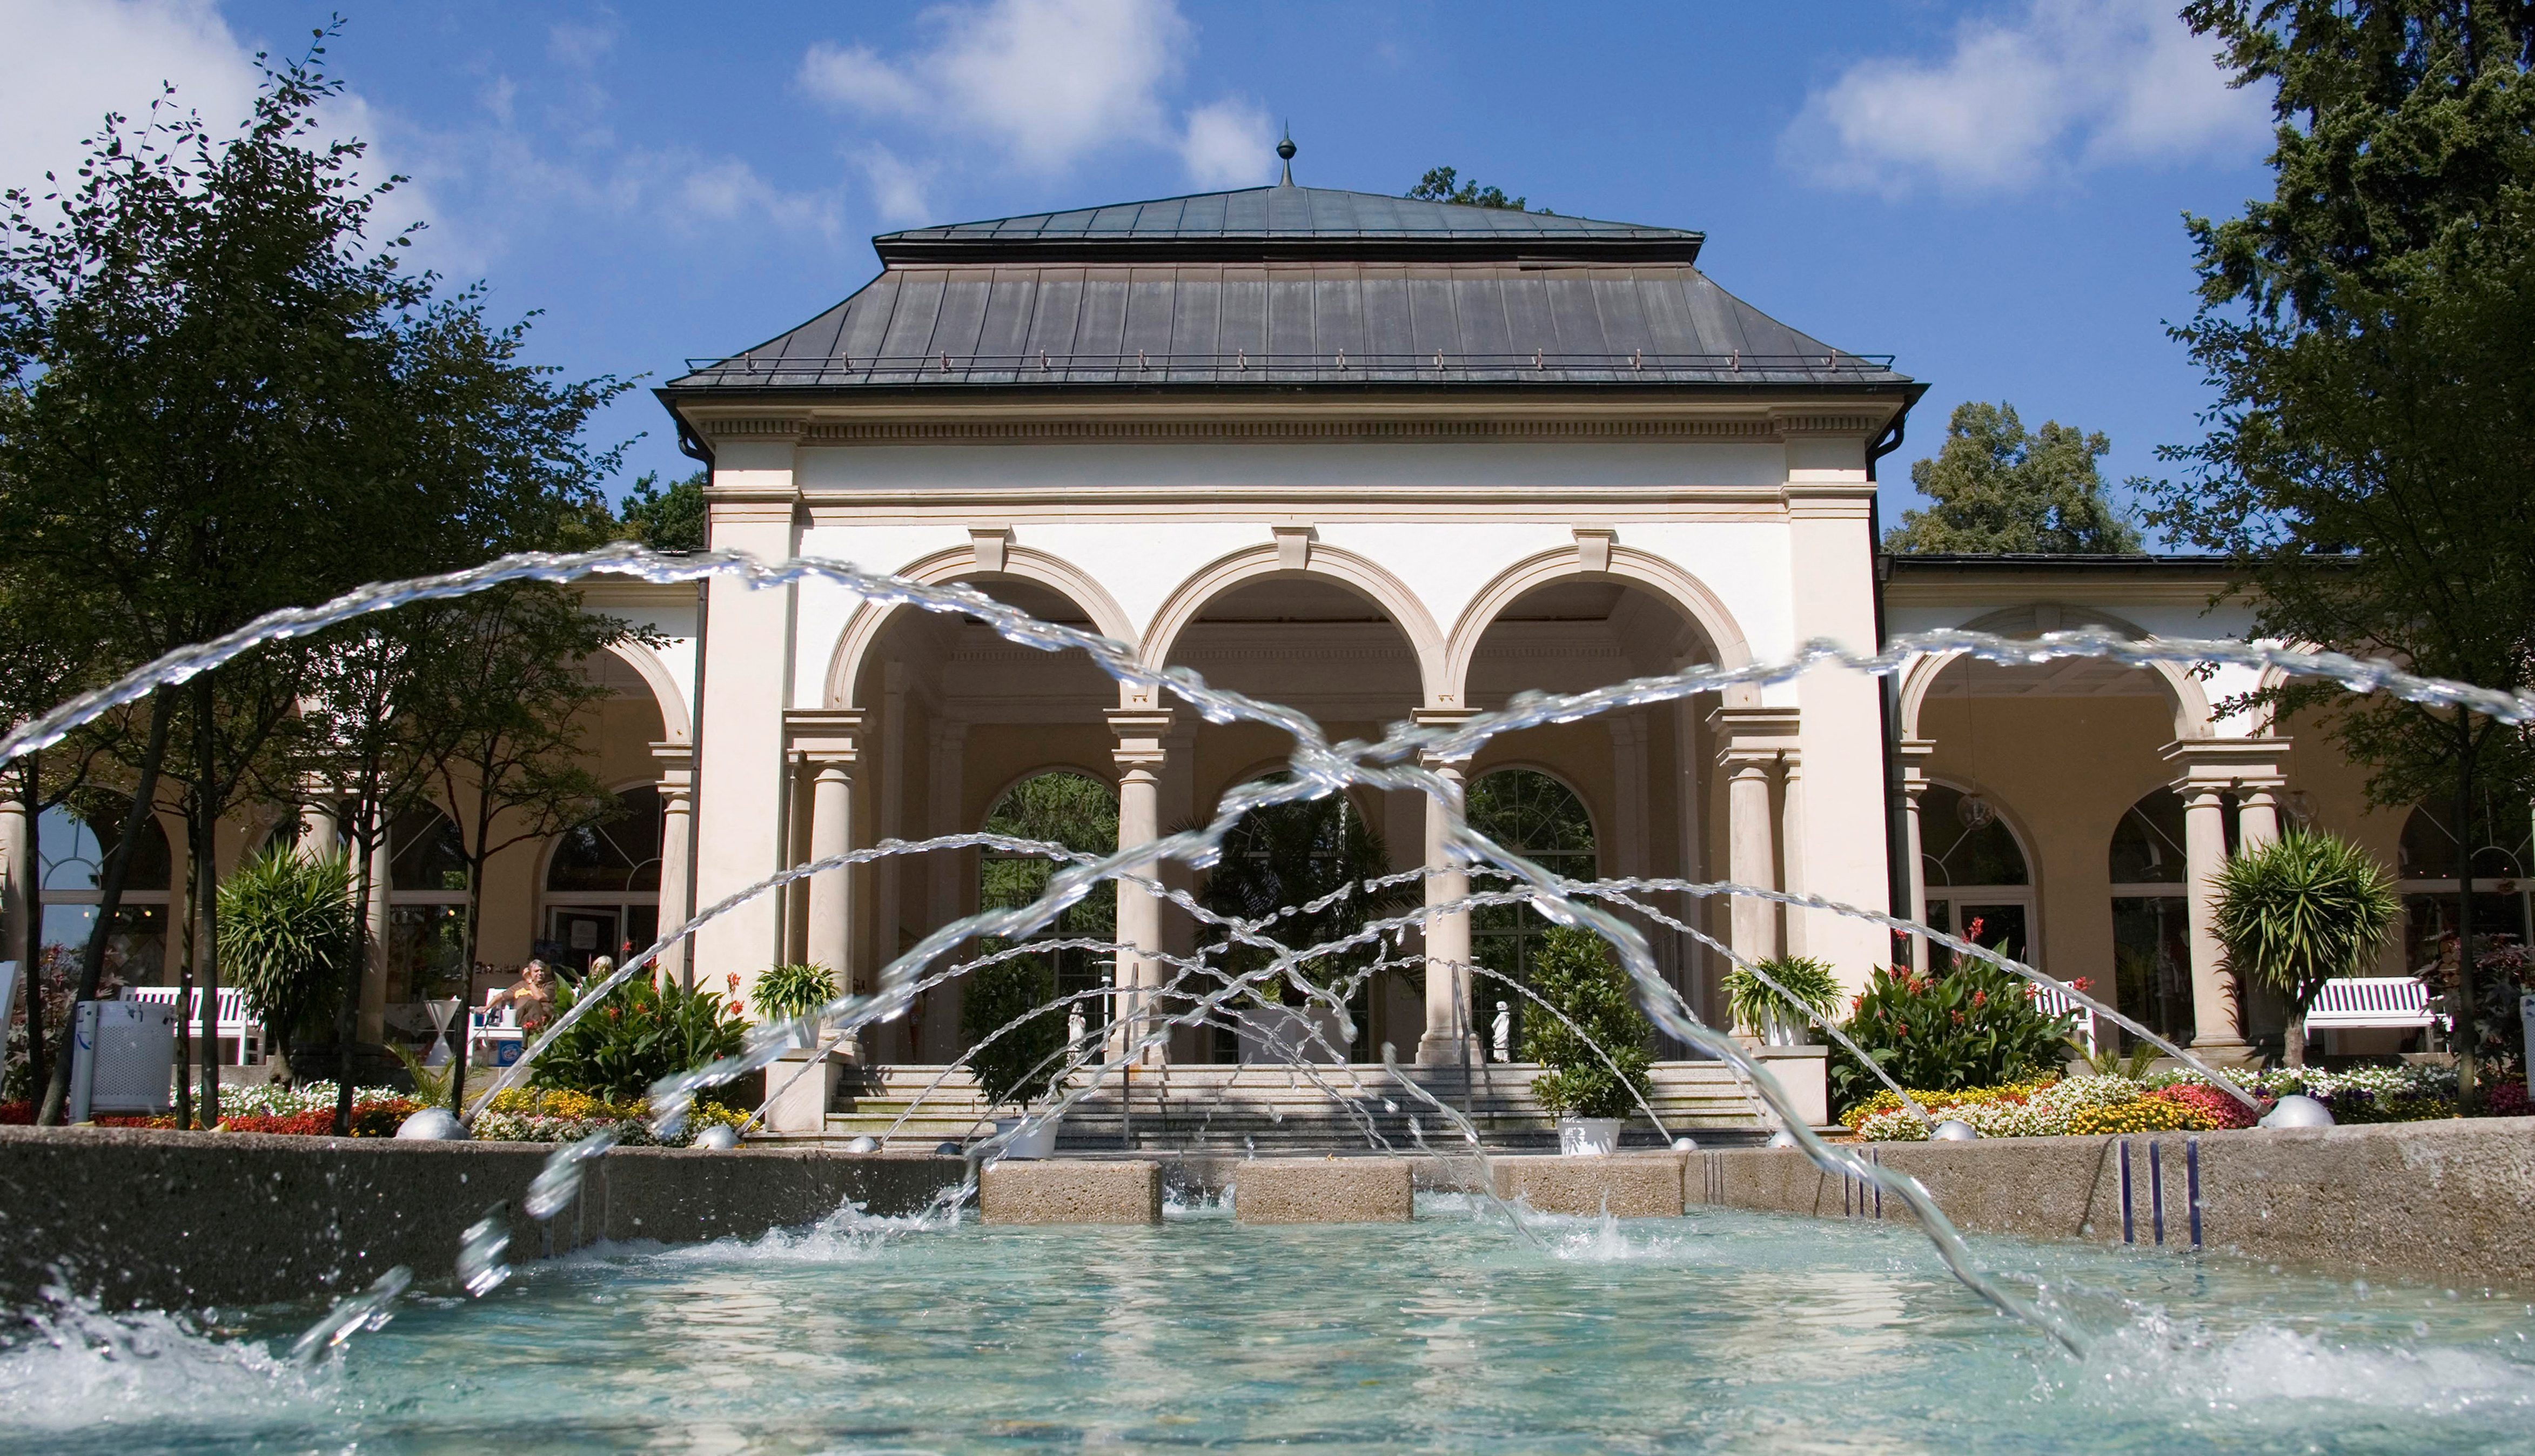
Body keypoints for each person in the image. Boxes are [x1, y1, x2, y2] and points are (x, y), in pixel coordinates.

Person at [484, 960, 557, 1032]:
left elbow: (539, 997)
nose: (540, 973)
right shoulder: (521, 985)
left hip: (540, 1019)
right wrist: (487, 1007)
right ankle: (538, 1029)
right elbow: (501, 996)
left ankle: (535, 1028)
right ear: (530, 973)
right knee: (533, 1003)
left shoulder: (550, 985)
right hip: (522, 1018)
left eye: (542, 971)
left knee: (534, 1004)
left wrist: (530, 981)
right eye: (536, 971)